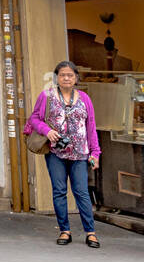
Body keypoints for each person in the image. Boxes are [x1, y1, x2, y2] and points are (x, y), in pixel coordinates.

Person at [24, 61, 103, 248]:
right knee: (59, 191)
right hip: (55, 152)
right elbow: (34, 118)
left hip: (80, 154)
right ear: (57, 78)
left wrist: (95, 152)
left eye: (70, 75)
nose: (66, 78)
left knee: (82, 192)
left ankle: (90, 232)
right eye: (62, 75)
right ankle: (64, 230)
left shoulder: (85, 98)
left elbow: (91, 126)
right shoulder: (47, 96)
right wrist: (46, 131)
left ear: (76, 78)